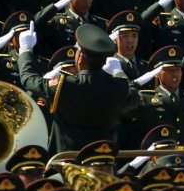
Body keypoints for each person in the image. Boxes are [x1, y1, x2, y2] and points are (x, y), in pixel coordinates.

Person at [18, 22, 137, 151]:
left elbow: (29, 79)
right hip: (103, 159)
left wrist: (25, 49)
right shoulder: (118, 87)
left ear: (80, 58)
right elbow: (134, 97)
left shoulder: (65, 84)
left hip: (69, 161)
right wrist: (118, 72)